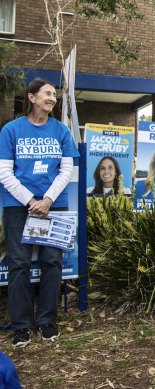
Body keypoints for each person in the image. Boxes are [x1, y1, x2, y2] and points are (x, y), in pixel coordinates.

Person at [0, 78, 79, 348]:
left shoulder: (61, 131)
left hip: (52, 205)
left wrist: (47, 199)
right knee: (18, 265)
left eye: (54, 95)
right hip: (17, 206)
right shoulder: (11, 130)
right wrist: (30, 200)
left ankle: (47, 321)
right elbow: (4, 172)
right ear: (31, 97)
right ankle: (21, 326)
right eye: (47, 93)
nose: (53, 98)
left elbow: (66, 170)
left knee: (52, 263)